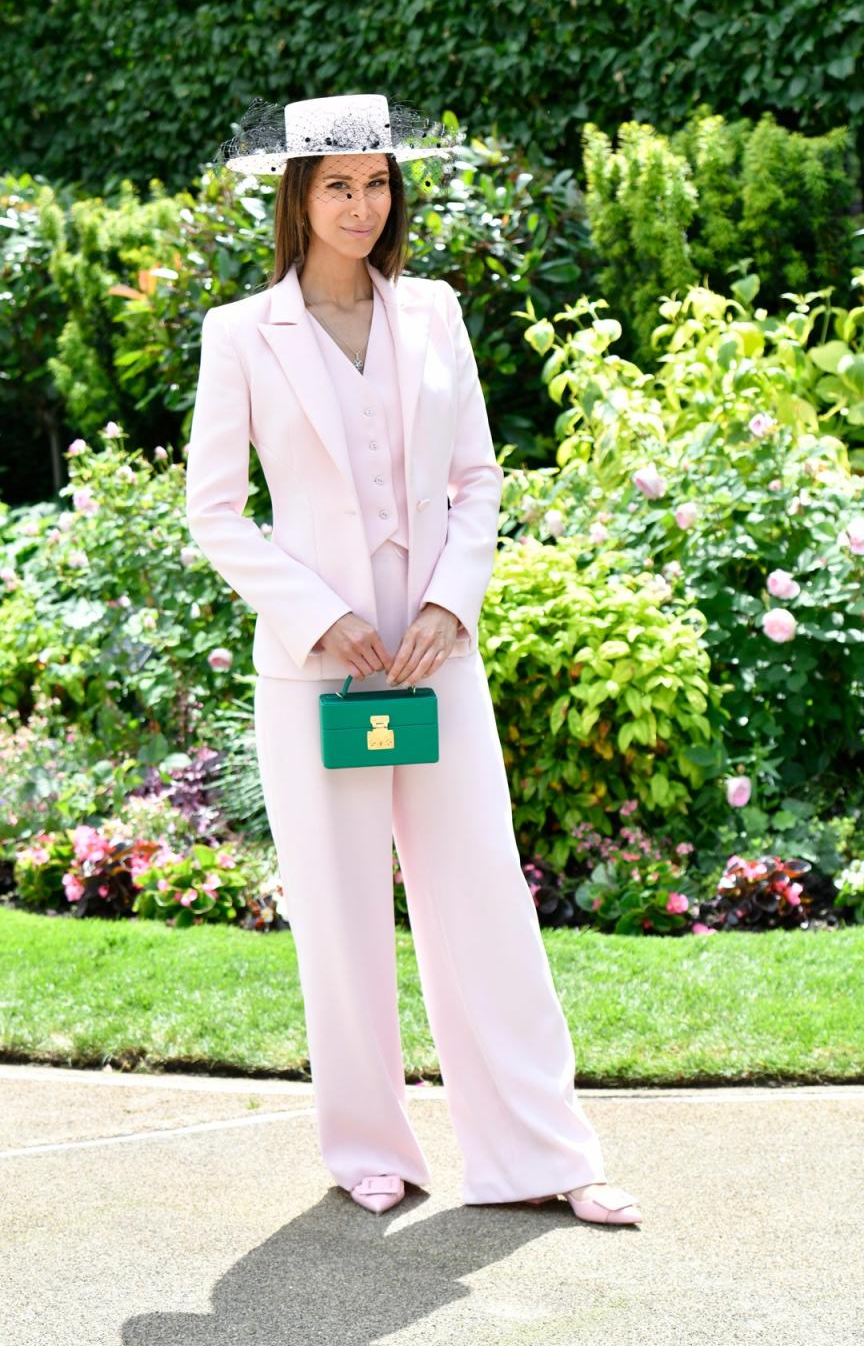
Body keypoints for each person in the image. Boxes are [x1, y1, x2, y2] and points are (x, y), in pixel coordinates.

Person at [185, 93, 642, 1226]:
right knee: (340, 913)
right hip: (319, 667)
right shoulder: (241, 333)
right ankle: (366, 1146)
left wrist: (451, 600)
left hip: (435, 654)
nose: (359, 203)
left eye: (376, 182)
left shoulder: (434, 313)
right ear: (298, 197)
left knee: (483, 894)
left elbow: (476, 480)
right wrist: (318, 615)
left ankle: (542, 1153)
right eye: (336, 184)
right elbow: (216, 513)